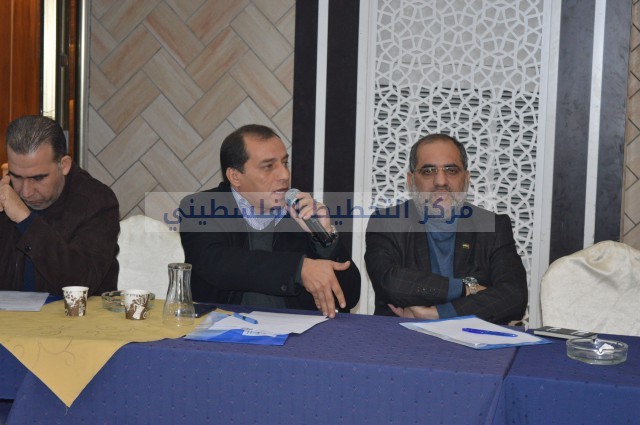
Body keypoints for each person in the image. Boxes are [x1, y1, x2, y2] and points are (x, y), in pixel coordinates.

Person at [179, 124, 361, 318]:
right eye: (268, 166)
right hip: (221, 328)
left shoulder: (299, 212)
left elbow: (348, 297)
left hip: (294, 332)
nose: (284, 175)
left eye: (285, 163)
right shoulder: (201, 207)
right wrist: (299, 269)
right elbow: (218, 263)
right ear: (235, 176)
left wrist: (324, 238)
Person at [365, 133, 527, 324]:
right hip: (401, 335)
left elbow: (514, 296)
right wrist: (466, 288)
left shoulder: (493, 226)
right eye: (428, 171)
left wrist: (439, 313)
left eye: (451, 170)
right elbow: (390, 282)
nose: (440, 181)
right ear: (411, 180)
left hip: (471, 336)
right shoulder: (386, 222)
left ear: (467, 178)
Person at [0, 115, 120, 296]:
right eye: (16, 176)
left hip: (76, 313)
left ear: (64, 165)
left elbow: (81, 284)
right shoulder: (5, 195)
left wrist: (26, 221)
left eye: (38, 178)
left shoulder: (97, 202)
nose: (25, 192)